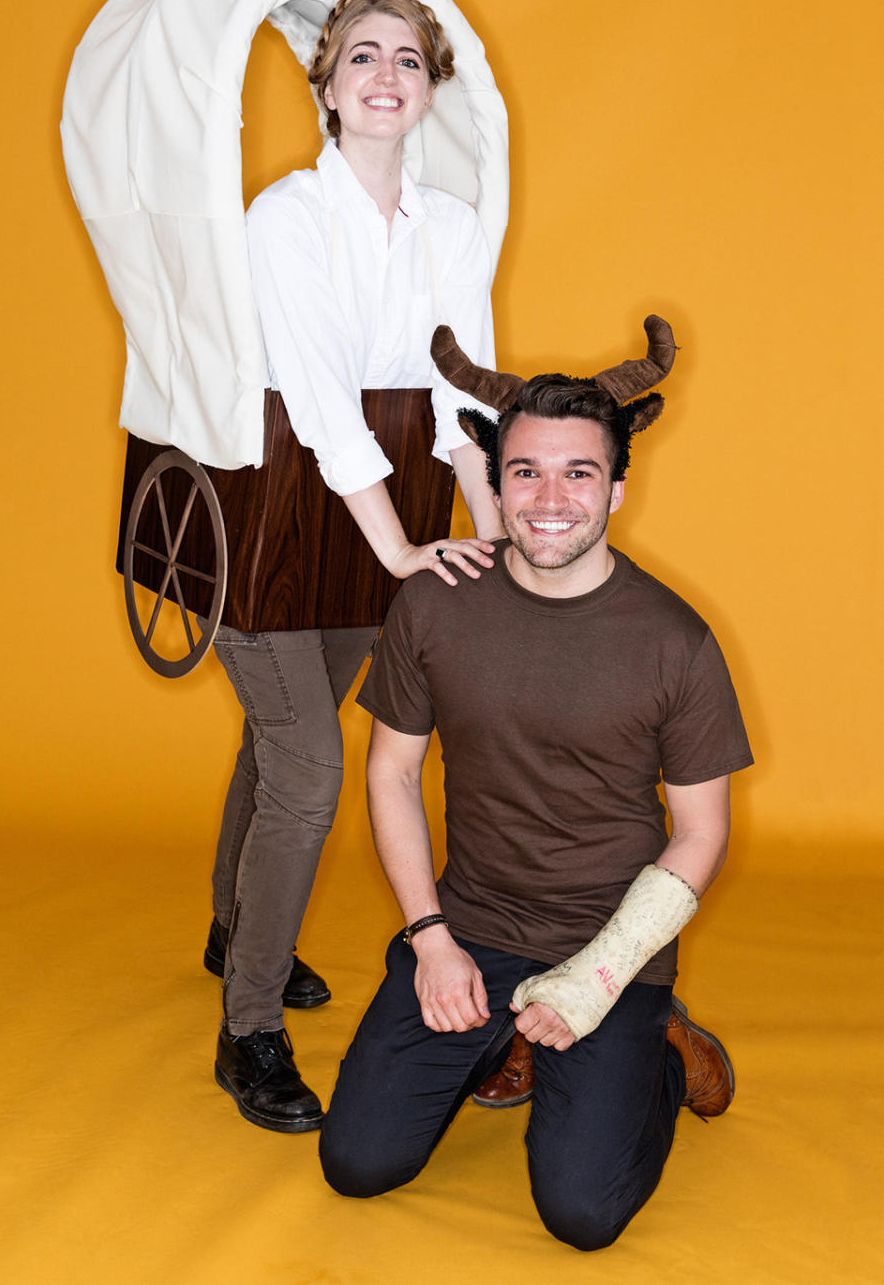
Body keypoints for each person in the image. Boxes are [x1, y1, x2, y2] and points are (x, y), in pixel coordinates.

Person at [318, 319, 754, 1247]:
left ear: (617, 488)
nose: (549, 498)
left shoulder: (675, 639)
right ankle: (503, 1031)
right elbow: (392, 772)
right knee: (357, 1164)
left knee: (583, 1213)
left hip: (610, 944)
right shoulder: (436, 602)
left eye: (579, 472)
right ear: (495, 480)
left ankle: (661, 1050)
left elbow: (701, 833)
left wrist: (598, 979)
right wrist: (431, 940)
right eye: (525, 471)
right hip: (468, 931)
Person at [207, 0, 505, 1134]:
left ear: (429, 90)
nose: (388, 75)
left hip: (382, 522)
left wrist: (491, 528)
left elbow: (456, 393)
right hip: (279, 515)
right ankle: (248, 1025)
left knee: (280, 739)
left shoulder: (453, 226)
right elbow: (326, 406)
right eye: (363, 57)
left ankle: (236, 927)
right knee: (312, 768)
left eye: (411, 60)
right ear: (327, 86)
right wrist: (403, 549)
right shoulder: (285, 216)